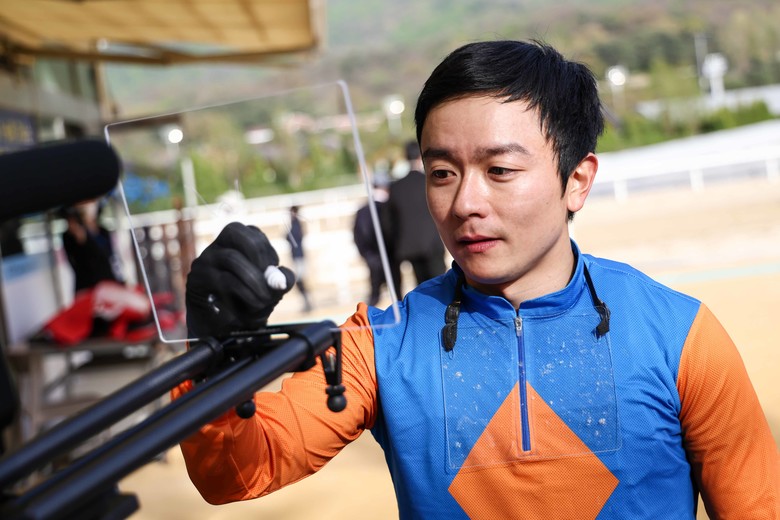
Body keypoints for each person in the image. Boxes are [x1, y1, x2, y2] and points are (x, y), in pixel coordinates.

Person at [177, 40, 779, 519]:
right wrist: (212, 353)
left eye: (500, 169)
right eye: (442, 172)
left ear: (577, 179)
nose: (466, 202)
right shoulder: (378, 345)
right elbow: (236, 472)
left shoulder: (678, 335)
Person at [381, 139, 446, 298]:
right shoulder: (431, 181)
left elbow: (388, 223)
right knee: (443, 287)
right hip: (432, 244)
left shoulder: (396, 187)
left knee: (423, 287)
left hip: (410, 246)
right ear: (420, 156)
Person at [60, 199, 123, 293]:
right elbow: (77, 261)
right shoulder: (69, 235)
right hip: (87, 287)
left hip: (108, 283)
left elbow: (108, 256)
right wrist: (81, 239)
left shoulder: (103, 231)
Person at [353, 174, 390, 306]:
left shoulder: (363, 210)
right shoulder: (389, 206)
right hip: (387, 254)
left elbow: (357, 235)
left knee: (375, 291)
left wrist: (366, 254)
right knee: (394, 291)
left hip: (372, 255)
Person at [286, 205, 313, 312]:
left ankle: (308, 302)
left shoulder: (296, 224)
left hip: (299, 255)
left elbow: (294, 238)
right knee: (299, 280)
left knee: (299, 280)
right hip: (297, 255)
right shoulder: (294, 224)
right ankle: (307, 301)